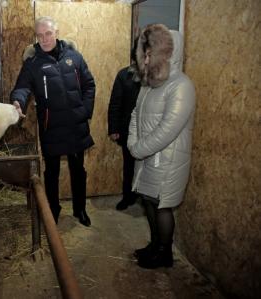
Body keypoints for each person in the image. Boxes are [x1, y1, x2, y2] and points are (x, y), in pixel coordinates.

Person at [11, 16, 96, 227]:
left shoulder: (74, 58)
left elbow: (89, 85)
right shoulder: (33, 65)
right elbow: (22, 87)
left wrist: (84, 111)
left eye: (48, 34)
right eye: (39, 36)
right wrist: (17, 101)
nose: (44, 39)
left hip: (77, 126)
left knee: (78, 170)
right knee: (52, 173)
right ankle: (53, 211)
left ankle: (80, 209)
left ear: (56, 33)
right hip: (52, 127)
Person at [127, 24, 195, 269]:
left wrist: (138, 148)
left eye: (151, 51)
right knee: (148, 203)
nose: (146, 56)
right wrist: (132, 143)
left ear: (167, 52)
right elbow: (136, 113)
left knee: (161, 206)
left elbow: (169, 129)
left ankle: (164, 254)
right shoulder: (150, 83)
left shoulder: (181, 85)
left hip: (167, 160)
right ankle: (154, 246)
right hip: (146, 157)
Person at [108, 38, 141, 211]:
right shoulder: (124, 74)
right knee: (129, 165)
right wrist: (113, 129)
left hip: (150, 131)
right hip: (128, 129)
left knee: (147, 168)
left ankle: (145, 199)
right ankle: (127, 197)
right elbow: (115, 103)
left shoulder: (155, 75)